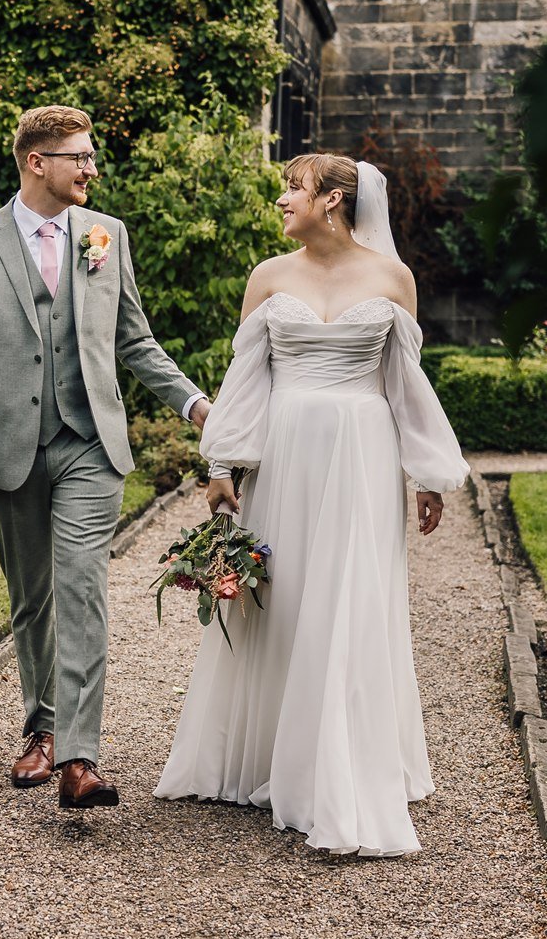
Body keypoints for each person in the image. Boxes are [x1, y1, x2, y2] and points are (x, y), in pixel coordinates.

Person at [154, 153, 468, 856]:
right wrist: (222, 464)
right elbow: (246, 379)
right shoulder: (269, 277)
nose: (280, 198)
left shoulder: (393, 279)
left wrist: (428, 473)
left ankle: (342, 762)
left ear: (331, 201)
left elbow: (403, 384)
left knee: (348, 598)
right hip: (286, 455)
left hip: (361, 454)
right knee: (286, 596)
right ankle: (267, 755)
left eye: (292, 187)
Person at [0, 105, 209, 809]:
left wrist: (196, 405)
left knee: (81, 587)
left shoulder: (104, 235)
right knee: (32, 598)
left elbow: (136, 340)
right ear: (37, 162)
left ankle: (80, 757)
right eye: (78, 157)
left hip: (91, 442)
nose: (91, 168)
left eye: (90, 156)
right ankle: (42, 729)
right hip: (7, 449)